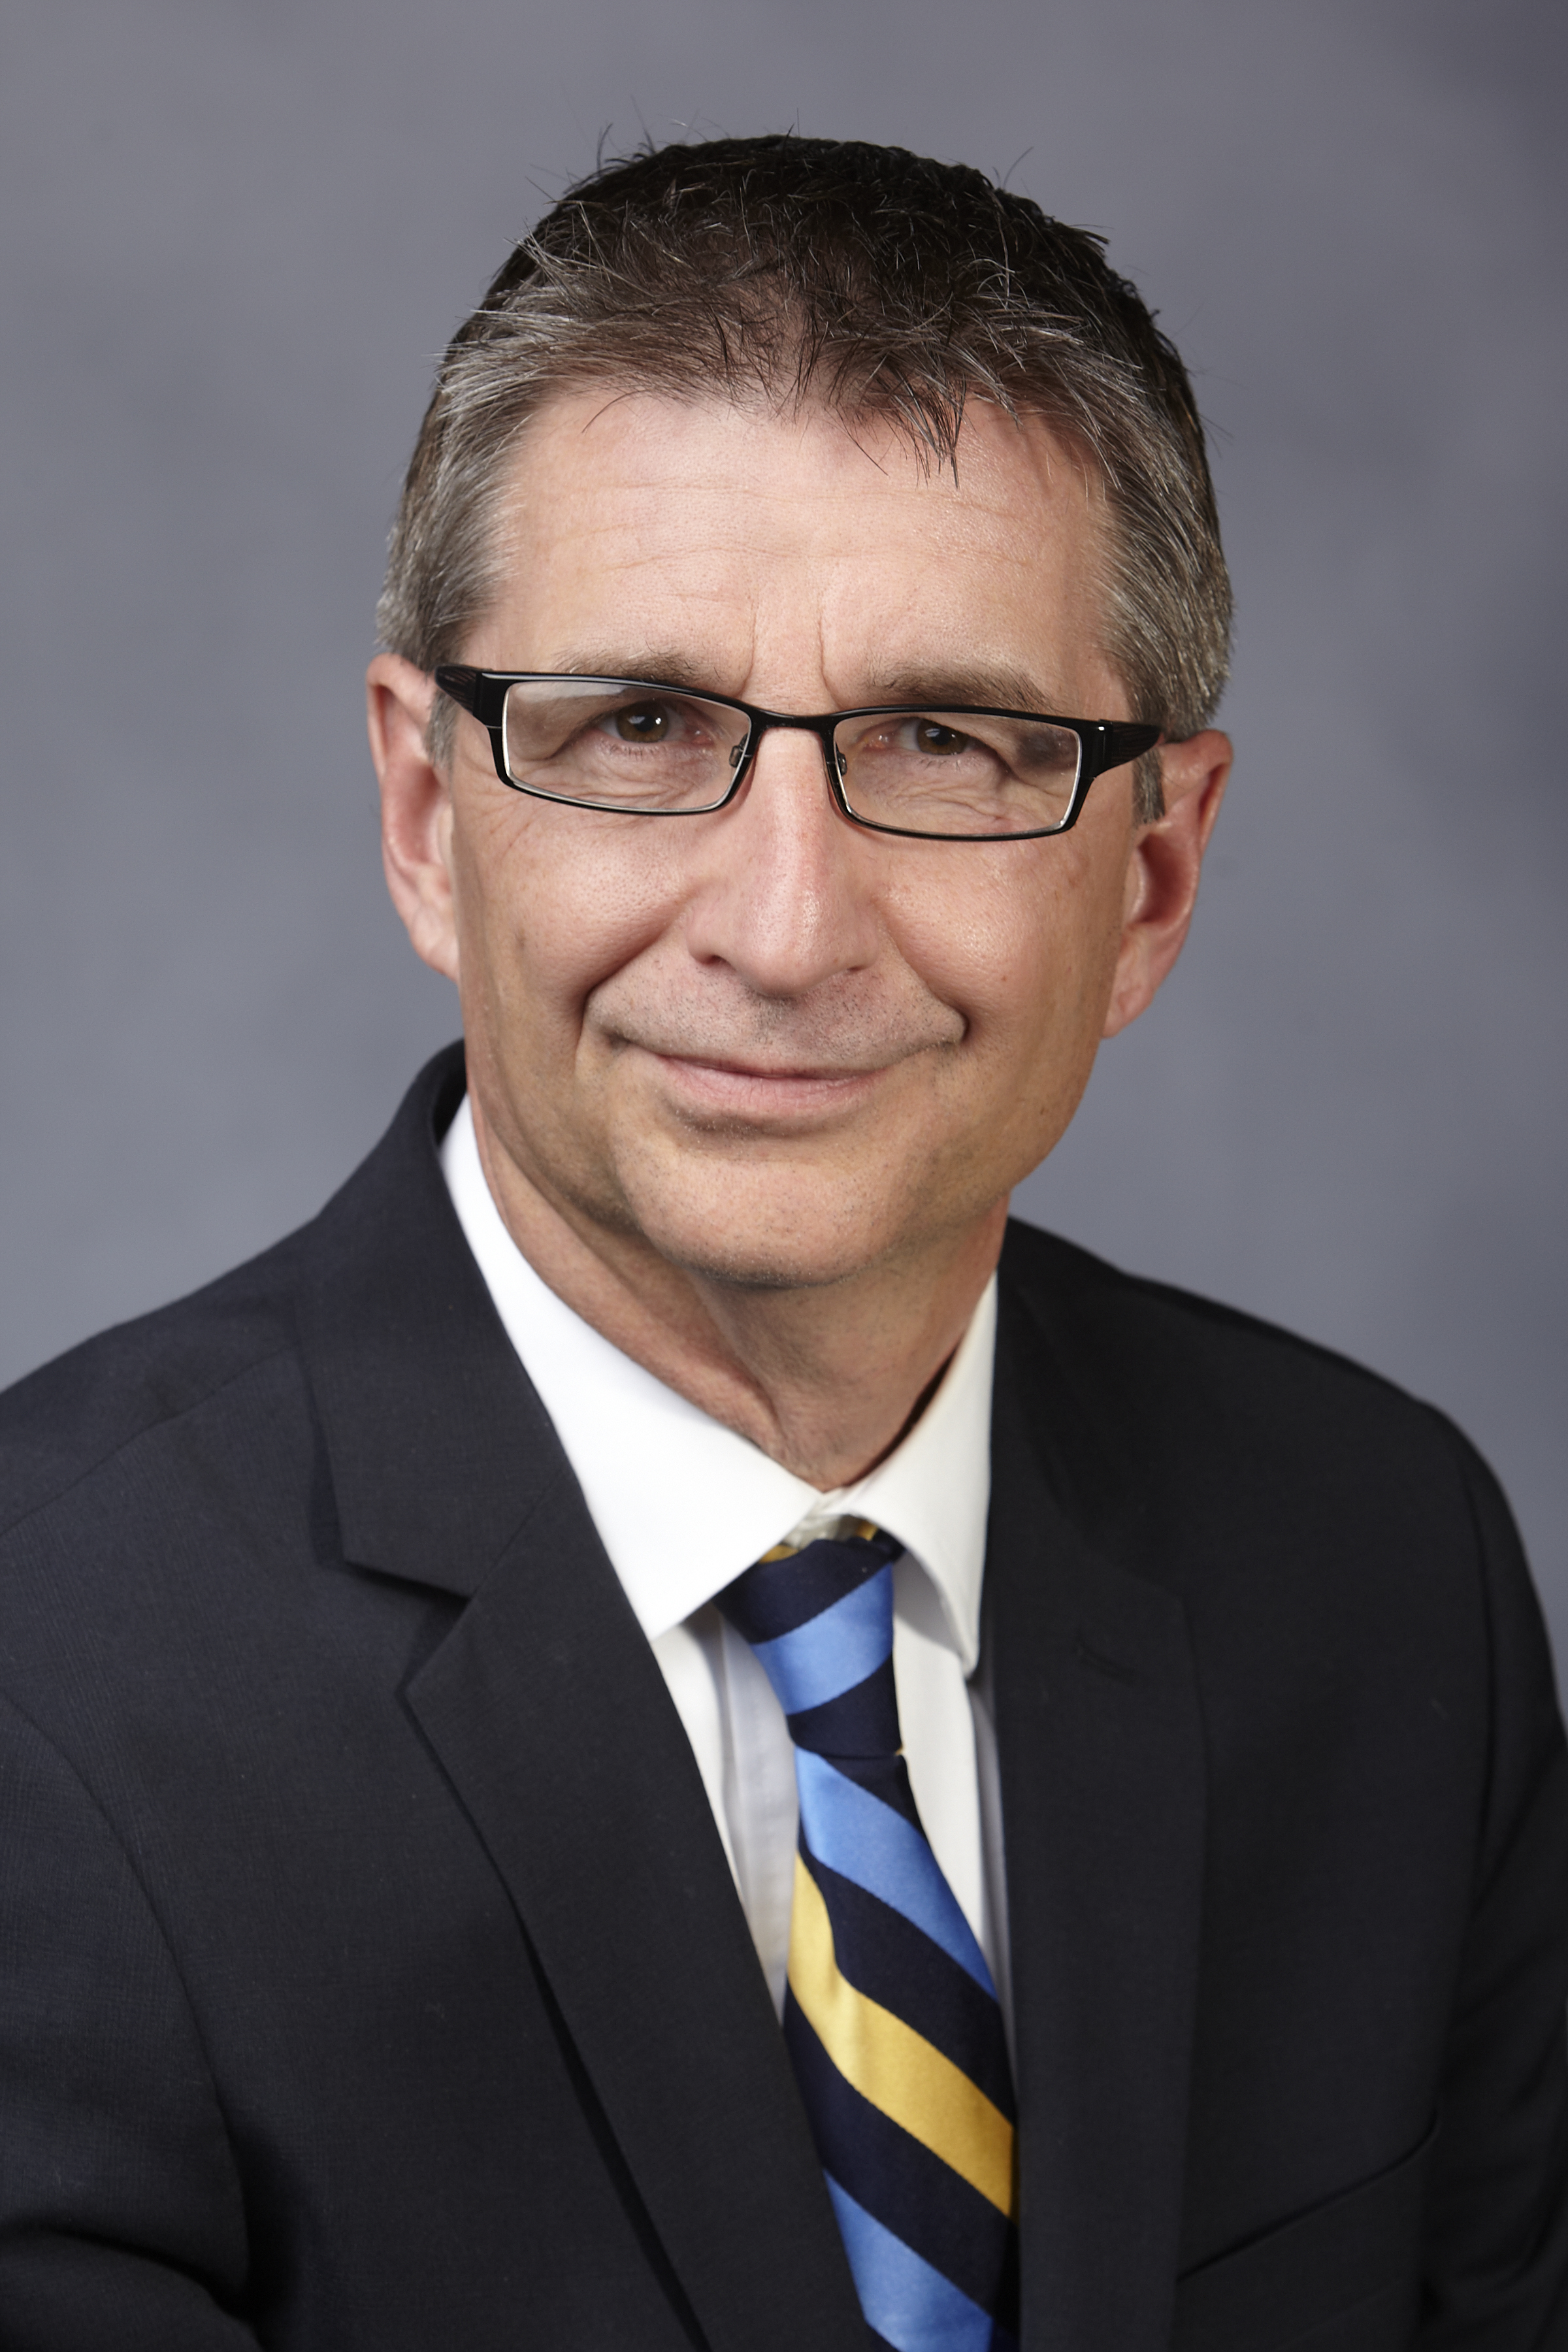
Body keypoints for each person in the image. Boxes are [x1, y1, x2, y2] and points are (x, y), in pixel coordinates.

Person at [1, 134, 1564, 2352]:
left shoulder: (1386, 1572)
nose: (786, 925)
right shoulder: (43, 1694)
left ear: (1151, 879)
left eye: (945, 740)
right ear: (428, 818)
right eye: (642, 726)